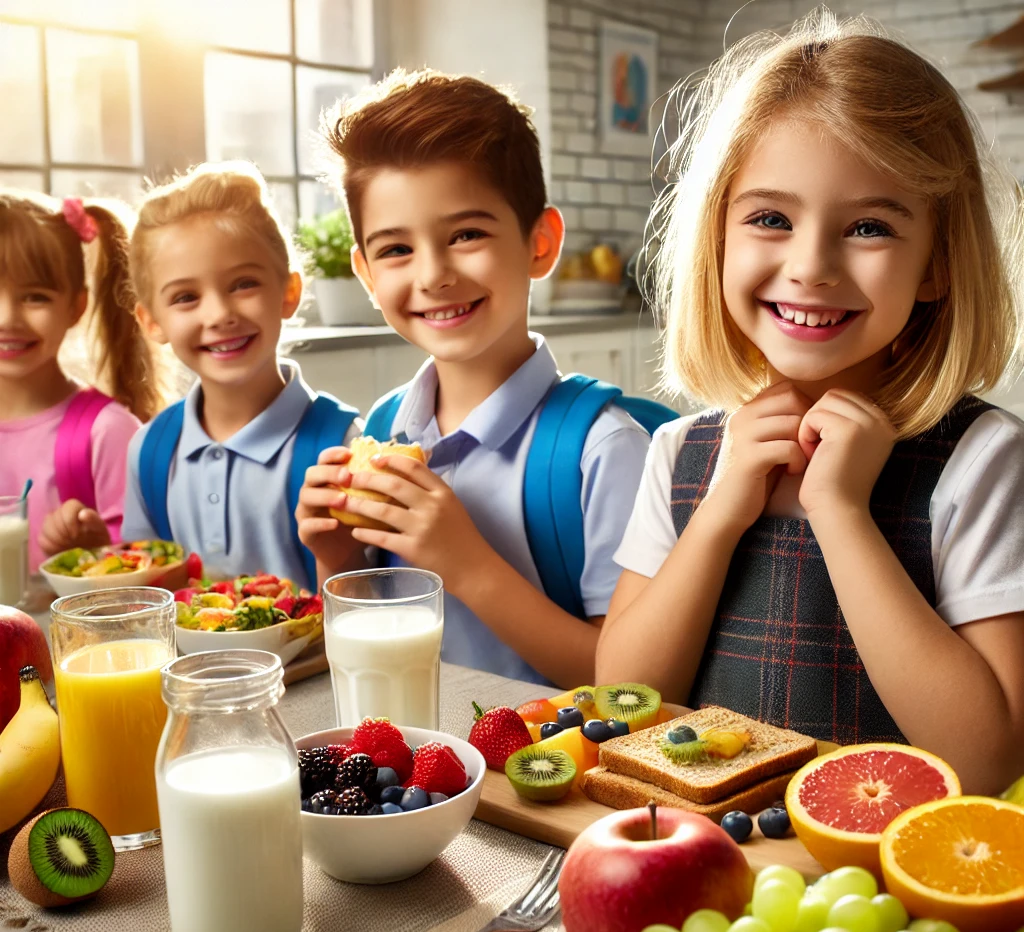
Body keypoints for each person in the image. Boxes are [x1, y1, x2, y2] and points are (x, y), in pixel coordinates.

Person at [596, 13, 1024, 795]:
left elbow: (988, 761)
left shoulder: (981, 461)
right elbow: (623, 706)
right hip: (709, 868)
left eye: (868, 226)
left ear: (937, 264)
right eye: (770, 219)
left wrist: (843, 513)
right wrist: (723, 510)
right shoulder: (685, 454)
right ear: (717, 236)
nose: (811, 266)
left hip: (886, 892)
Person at [295, 70, 654, 688]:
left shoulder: (605, 451)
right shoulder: (379, 428)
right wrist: (337, 555)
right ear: (365, 274)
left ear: (540, 243)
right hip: (411, 770)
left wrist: (464, 564)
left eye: (466, 235)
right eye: (395, 250)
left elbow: (624, 684)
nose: (433, 274)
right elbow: (369, 642)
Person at [120, 162, 360, 589]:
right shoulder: (150, 451)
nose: (219, 315)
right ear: (151, 321)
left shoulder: (342, 447)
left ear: (289, 292)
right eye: (186, 297)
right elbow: (145, 596)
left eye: (243, 284)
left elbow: (375, 608)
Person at [0, 190, 160, 572]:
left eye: (35, 297)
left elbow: (147, 579)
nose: (8, 318)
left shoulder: (107, 432)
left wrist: (98, 548)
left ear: (76, 306)